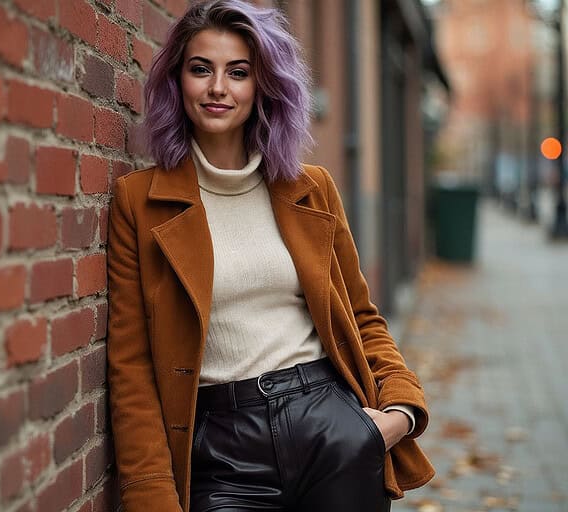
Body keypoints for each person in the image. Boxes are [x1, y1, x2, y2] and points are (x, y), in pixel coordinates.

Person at [106, 1, 434, 511]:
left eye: (239, 73)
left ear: (263, 87)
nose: (219, 88)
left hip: (330, 427)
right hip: (220, 452)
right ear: (178, 82)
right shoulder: (138, 202)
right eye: (201, 69)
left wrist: (400, 413)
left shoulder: (311, 190)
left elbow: (362, 317)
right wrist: (152, 495)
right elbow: (131, 368)